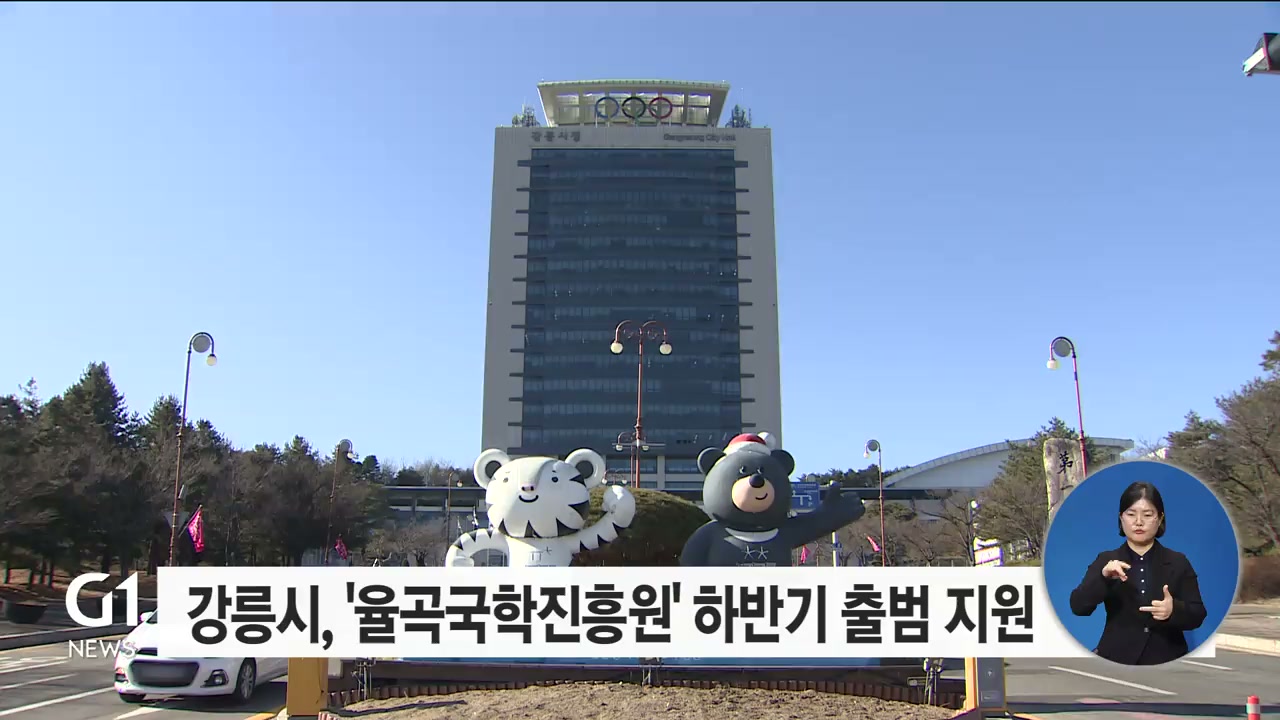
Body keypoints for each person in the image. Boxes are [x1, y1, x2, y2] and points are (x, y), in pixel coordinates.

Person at [1068, 480, 1208, 665]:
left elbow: (1198, 614)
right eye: (1131, 514)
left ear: (1160, 518)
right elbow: (1078, 607)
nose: (1139, 522)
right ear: (1121, 518)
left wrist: (1173, 610)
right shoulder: (1106, 561)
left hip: (1168, 661)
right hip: (1116, 661)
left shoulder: (1178, 561)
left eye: (1148, 515)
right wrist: (1103, 578)